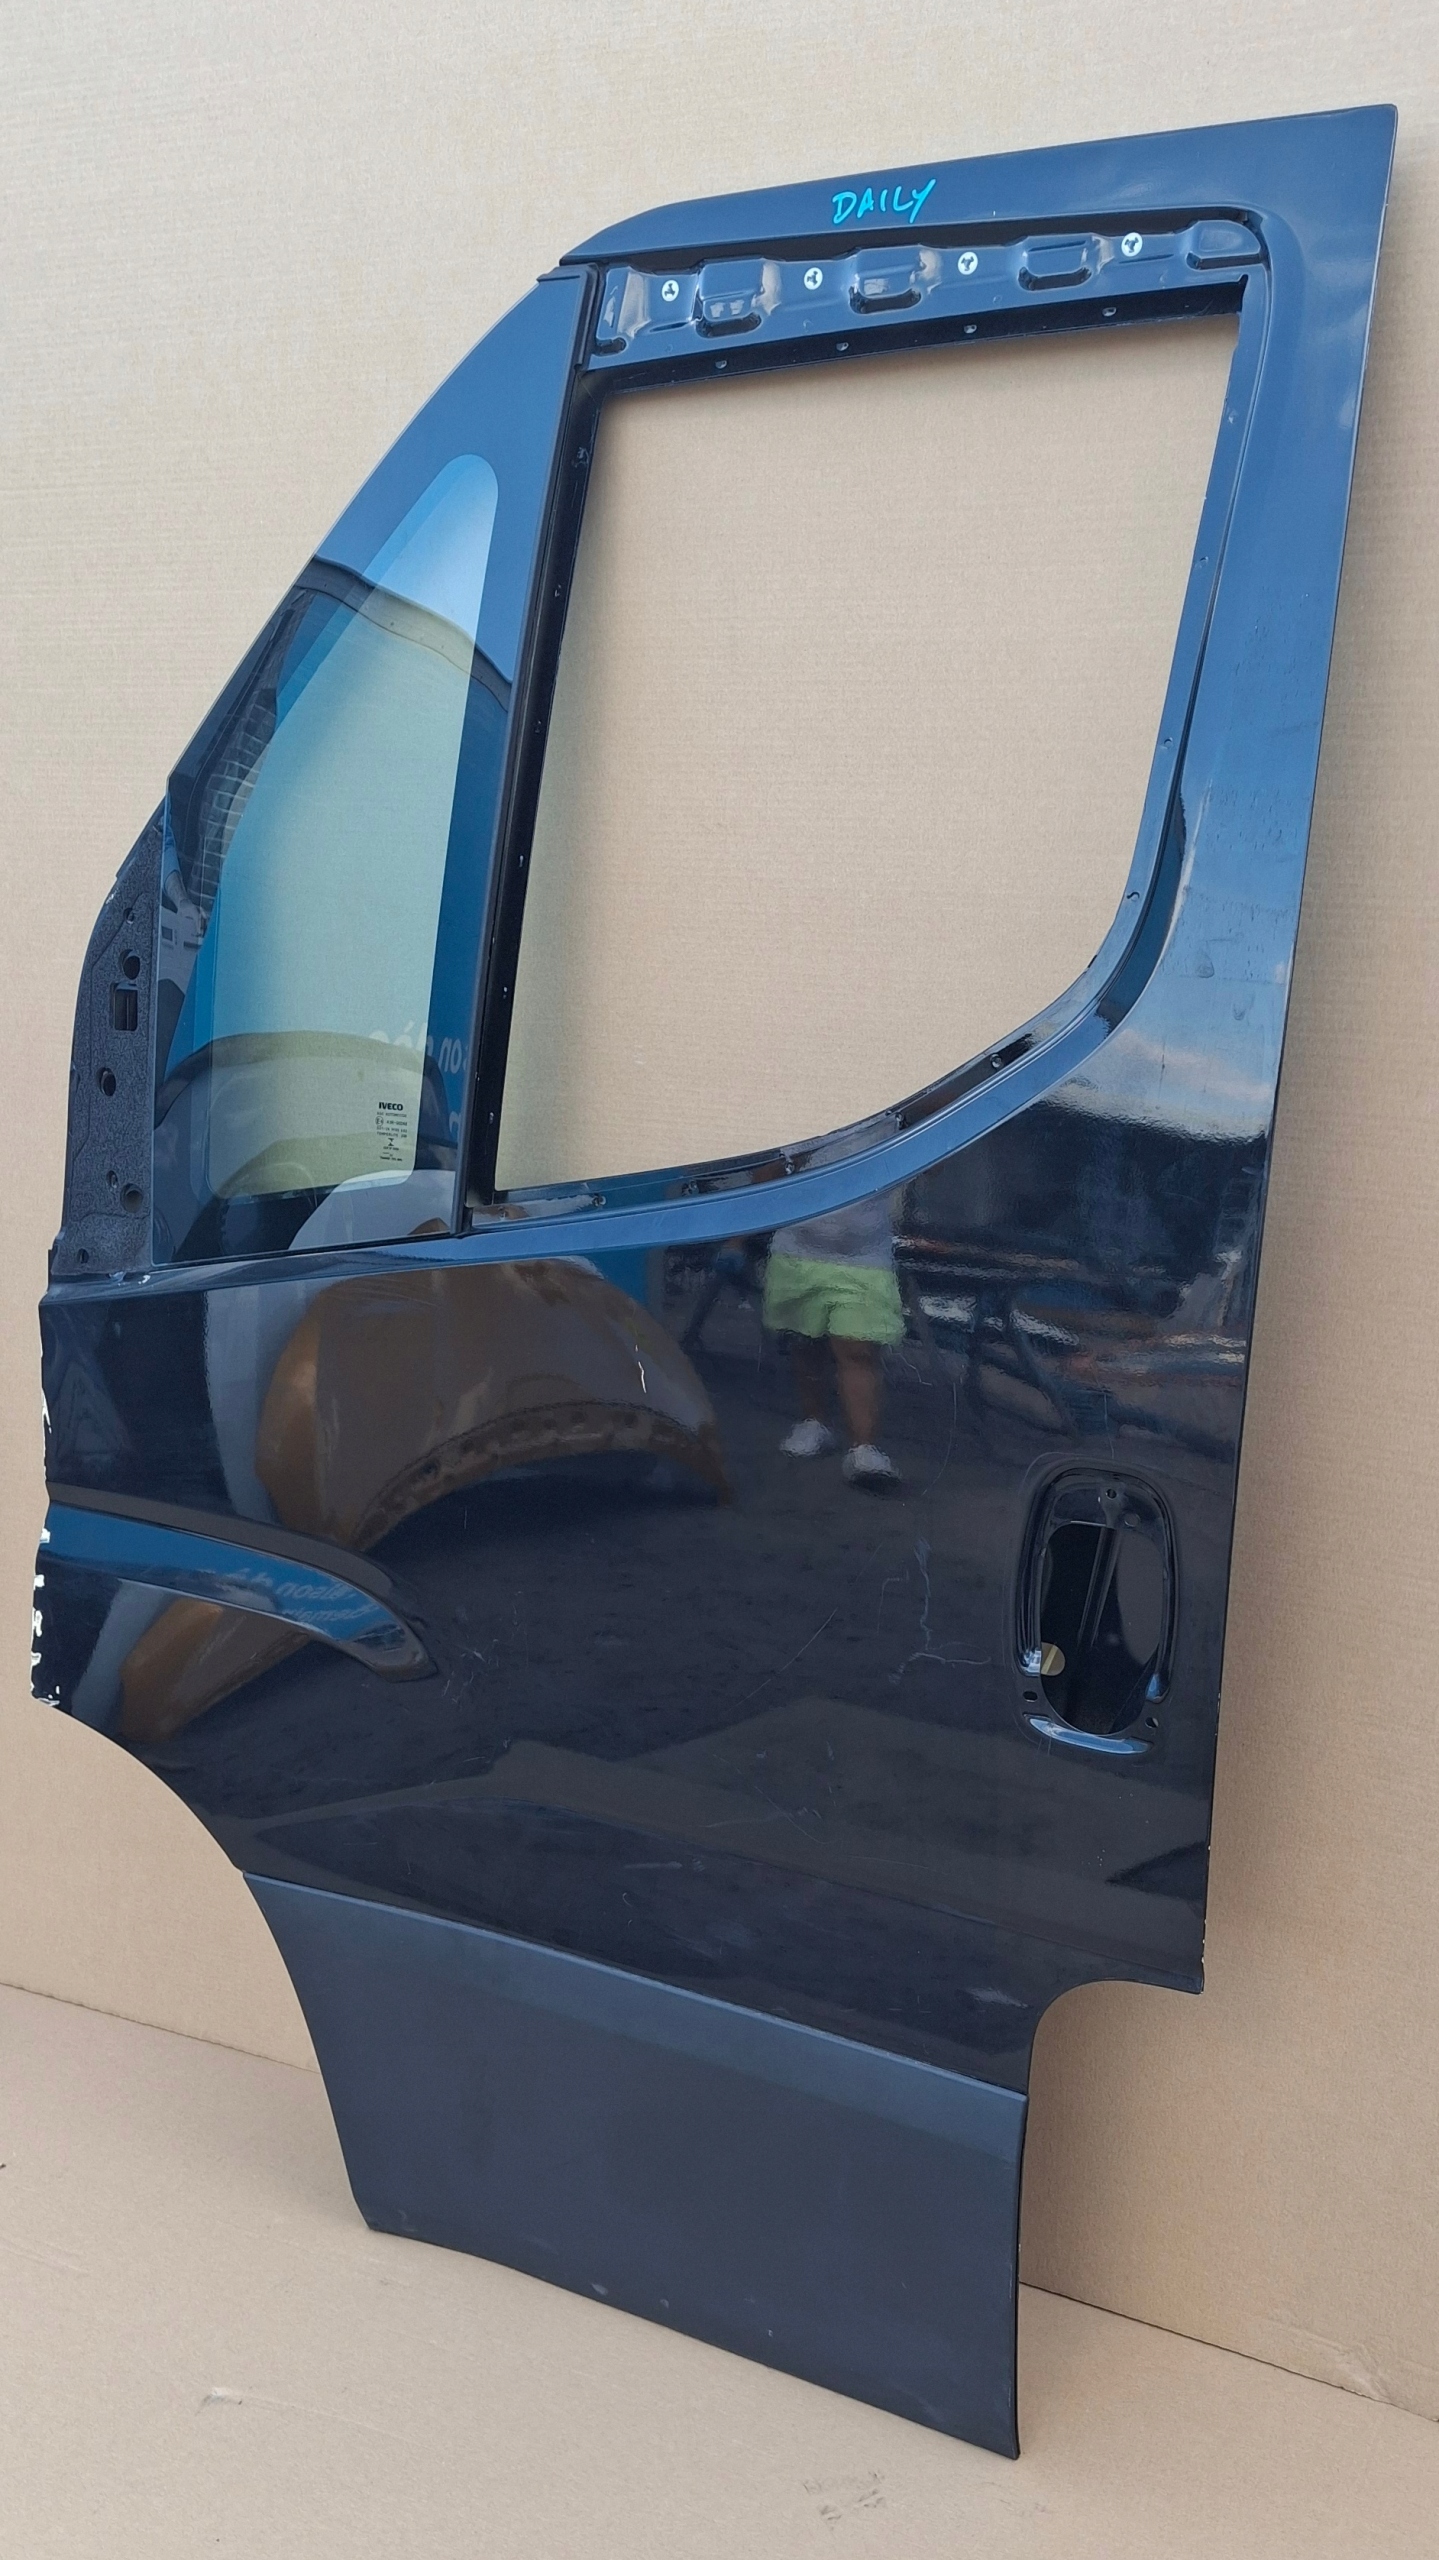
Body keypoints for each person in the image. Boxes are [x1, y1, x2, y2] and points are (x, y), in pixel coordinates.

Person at [762, 1194, 904, 1488]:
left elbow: (931, 1170)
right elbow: (765, 1179)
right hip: (797, 1252)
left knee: (858, 1349)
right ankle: (814, 1423)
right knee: (805, 1342)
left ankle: (864, 1449)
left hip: (866, 1258)